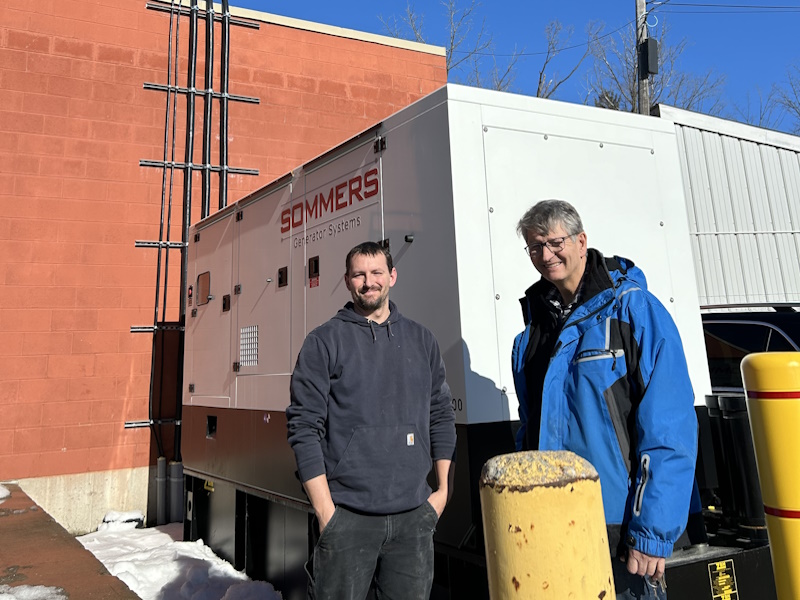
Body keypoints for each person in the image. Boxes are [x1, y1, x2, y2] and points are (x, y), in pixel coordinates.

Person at [510, 200, 697, 599]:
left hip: (619, 530)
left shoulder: (633, 310)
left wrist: (651, 529)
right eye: (534, 247)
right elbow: (531, 428)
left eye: (554, 242)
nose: (545, 255)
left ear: (581, 241)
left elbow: (668, 423)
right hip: (552, 523)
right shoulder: (532, 335)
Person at [287, 240, 457, 600]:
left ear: (392, 276)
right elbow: (304, 426)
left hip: (414, 517)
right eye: (359, 275)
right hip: (348, 517)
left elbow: (440, 414)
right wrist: (325, 511)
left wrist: (442, 491)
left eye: (377, 272)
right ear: (347, 281)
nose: (369, 282)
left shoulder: (422, 340)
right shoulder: (324, 341)